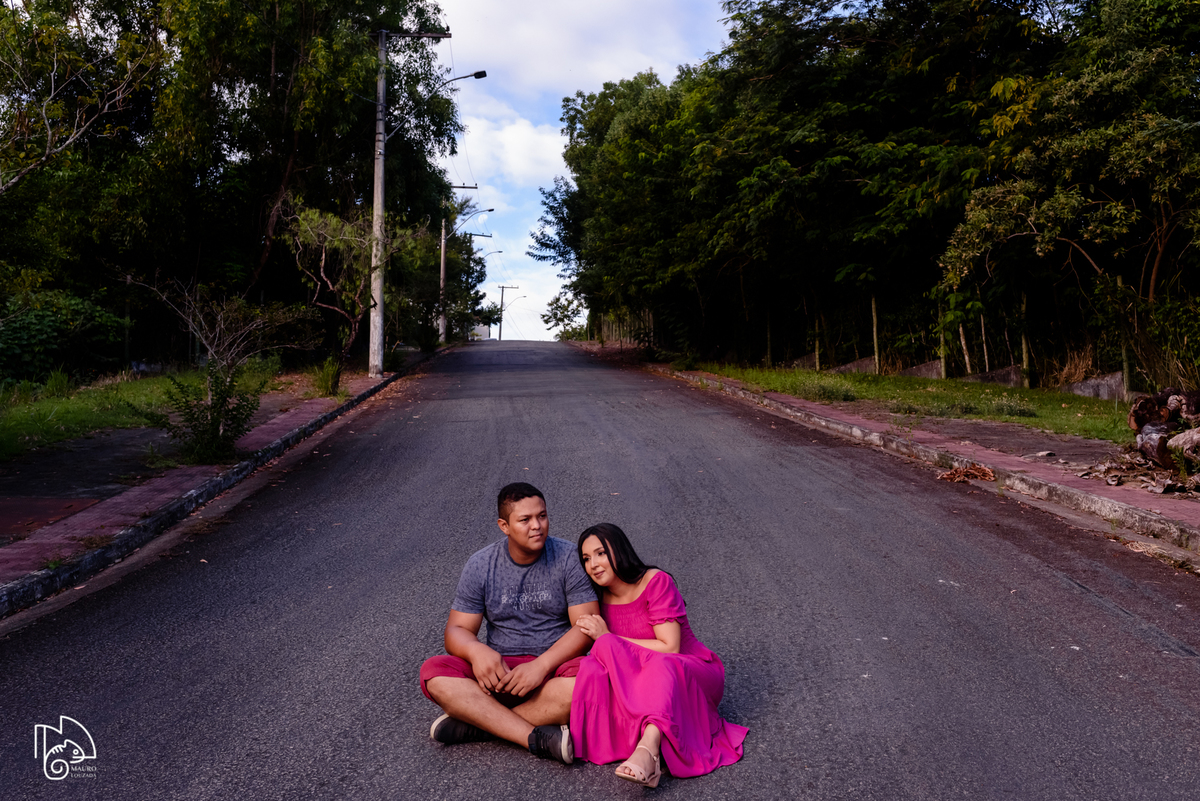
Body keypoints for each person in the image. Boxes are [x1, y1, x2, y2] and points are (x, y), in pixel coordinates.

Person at [419, 483, 599, 764]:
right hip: (499, 675)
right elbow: (456, 630)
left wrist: (541, 666)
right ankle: (537, 735)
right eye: (525, 520)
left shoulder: (568, 558)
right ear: (504, 525)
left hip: (553, 672)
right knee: (435, 673)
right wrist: (477, 652)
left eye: (542, 516)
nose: (537, 526)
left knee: (590, 679)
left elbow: (586, 627)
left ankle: (480, 725)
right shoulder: (481, 564)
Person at [571, 523, 748, 786]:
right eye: (586, 559)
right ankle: (636, 742)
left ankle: (648, 751)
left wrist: (609, 637)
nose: (593, 564)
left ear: (618, 551)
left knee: (659, 664)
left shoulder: (655, 581)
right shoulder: (598, 597)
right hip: (644, 674)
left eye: (600, 553)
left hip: (690, 670)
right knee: (592, 668)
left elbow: (669, 647)